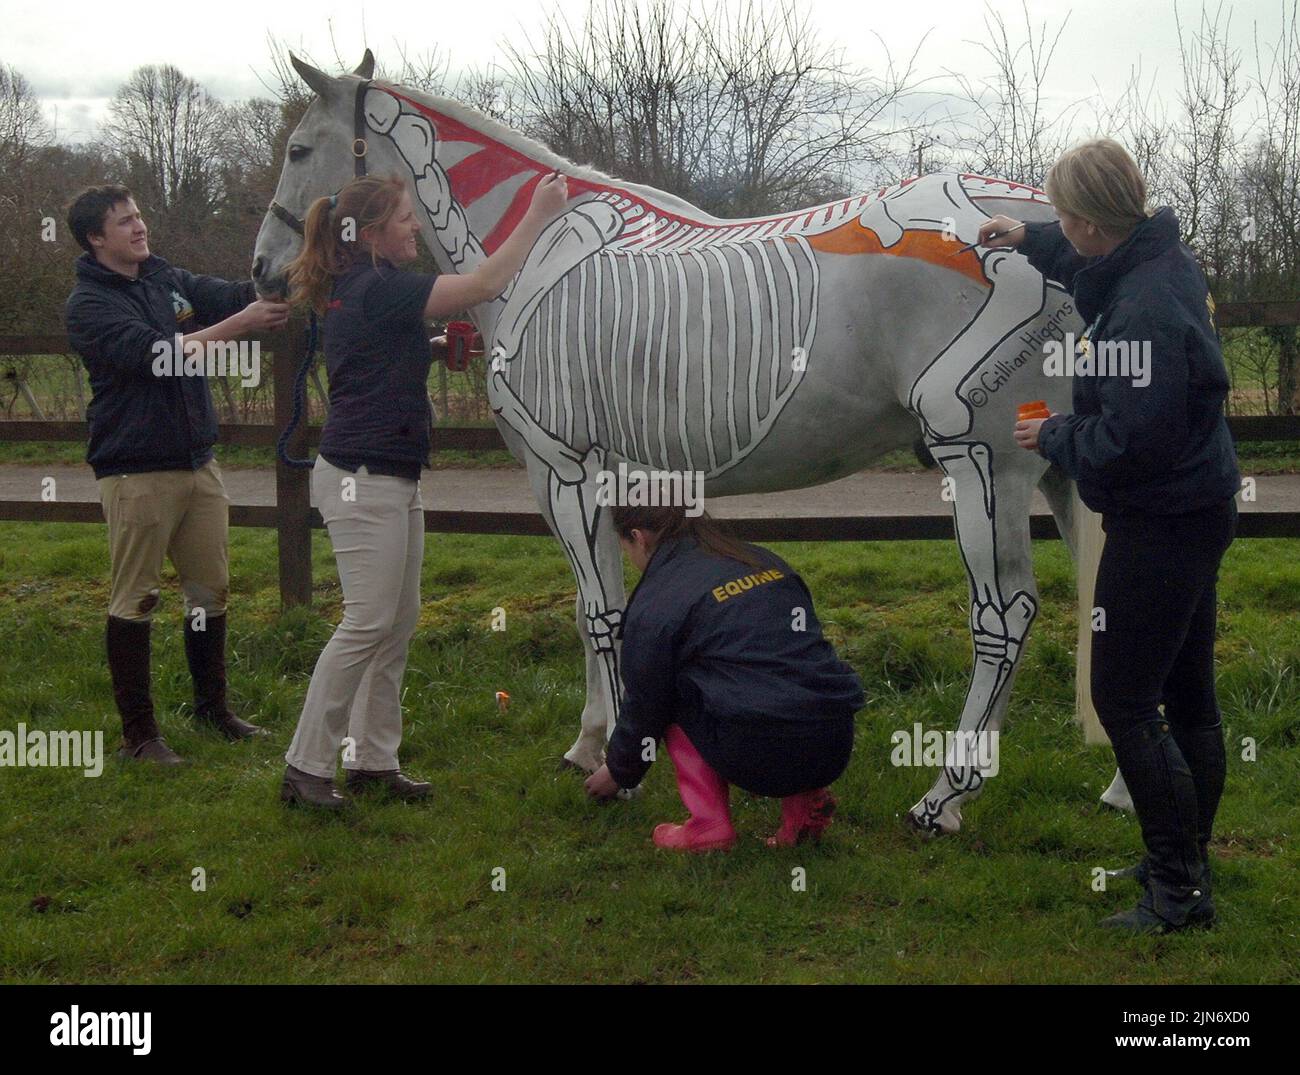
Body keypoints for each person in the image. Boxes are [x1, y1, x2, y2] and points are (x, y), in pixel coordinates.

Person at [987, 138, 1240, 933]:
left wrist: (1056, 436)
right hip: (1197, 506)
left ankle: (1176, 891)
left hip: (1159, 518)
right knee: (1189, 694)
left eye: (1065, 216)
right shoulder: (1157, 256)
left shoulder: (1143, 311)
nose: (1062, 226)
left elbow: (1134, 442)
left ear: (1096, 220)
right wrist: (1029, 237)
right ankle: (1188, 858)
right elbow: (1088, 256)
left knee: (1124, 697)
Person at [279, 171, 570, 809]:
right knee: (367, 622)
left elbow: (376, 355)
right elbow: (486, 283)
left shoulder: (364, 289)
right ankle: (305, 767)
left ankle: (373, 761)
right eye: (406, 218)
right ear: (374, 233)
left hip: (388, 472)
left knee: (396, 622)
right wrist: (539, 212)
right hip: (365, 479)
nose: (417, 227)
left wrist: (434, 347)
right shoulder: (378, 286)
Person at [65, 185, 289, 765]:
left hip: (198, 465)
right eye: (125, 222)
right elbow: (160, 356)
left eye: (138, 216)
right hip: (136, 472)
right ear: (96, 238)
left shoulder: (165, 277)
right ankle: (140, 736)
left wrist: (293, 270)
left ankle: (212, 710)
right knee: (136, 599)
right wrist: (245, 320)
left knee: (208, 594)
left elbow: (233, 295)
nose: (140, 227)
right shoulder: (89, 305)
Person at [584, 504, 865, 851]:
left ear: (638, 539)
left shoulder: (657, 601)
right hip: (833, 739)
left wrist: (618, 771)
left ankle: (708, 826)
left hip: (757, 750)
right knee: (785, 672)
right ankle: (804, 808)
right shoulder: (763, 561)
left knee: (672, 687)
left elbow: (646, 702)